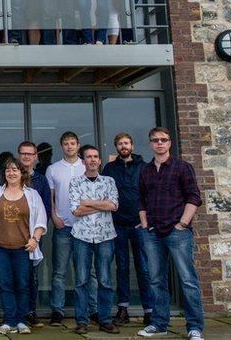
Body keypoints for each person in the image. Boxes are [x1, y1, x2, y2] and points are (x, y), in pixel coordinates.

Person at [137, 127, 204, 339]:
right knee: (156, 280)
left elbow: (194, 197)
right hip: (152, 232)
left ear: (169, 143)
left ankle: (194, 327)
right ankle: (159, 323)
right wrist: (145, 222)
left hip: (177, 232)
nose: (159, 143)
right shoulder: (146, 171)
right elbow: (141, 200)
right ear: (150, 144)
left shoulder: (182, 168)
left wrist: (182, 224)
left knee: (187, 280)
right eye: (155, 140)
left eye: (163, 140)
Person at [0, 157, 47, 336]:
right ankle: (9, 321)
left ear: (21, 173)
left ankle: (21, 321)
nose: (11, 173)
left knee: (23, 285)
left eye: (15, 170)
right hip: (0, 248)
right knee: (5, 284)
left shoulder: (32, 195)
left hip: (24, 248)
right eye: (8, 170)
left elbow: (41, 219)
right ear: (4, 174)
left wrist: (35, 239)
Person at [101, 133, 153, 326]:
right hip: (117, 224)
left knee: (143, 267)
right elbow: (104, 194)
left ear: (132, 145)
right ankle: (123, 309)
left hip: (139, 224)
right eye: (120, 143)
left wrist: (147, 219)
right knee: (121, 267)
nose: (123, 146)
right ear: (116, 146)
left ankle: (149, 310)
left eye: (126, 143)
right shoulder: (109, 168)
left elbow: (150, 193)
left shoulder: (144, 167)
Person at [46, 131, 96, 326]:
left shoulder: (86, 166)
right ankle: (57, 310)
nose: (69, 146)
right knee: (59, 271)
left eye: (73, 143)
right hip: (63, 226)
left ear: (77, 145)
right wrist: (53, 216)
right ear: (61, 146)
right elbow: (50, 196)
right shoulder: (53, 169)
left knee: (88, 271)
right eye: (66, 143)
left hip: (85, 227)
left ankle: (93, 309)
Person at [69, 145, 120, 335]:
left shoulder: (109, 181)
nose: (92, 159)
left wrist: (87, 202)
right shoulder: (75, 182)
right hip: (81, 236)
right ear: (83, 161)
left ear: (100, 161)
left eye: (95, 157)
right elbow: (75, 210)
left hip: (105, 236)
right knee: (81, 280)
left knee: (105, 280)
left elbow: (113, 205)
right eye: (88, 157)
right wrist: (102, 204)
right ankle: (81, 321)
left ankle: (105, 320)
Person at [16, 141, 52, 327]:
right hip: (13, 234)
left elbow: (46, 208)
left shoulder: (41, 180)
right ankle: (15, 312)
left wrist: (37, 235)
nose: (26, 157)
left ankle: (30, 311)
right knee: (16, 275)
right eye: (23, 153)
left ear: (35, 156)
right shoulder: (11, 177)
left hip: (33, 235)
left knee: (32, 275)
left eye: (30, 154)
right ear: (19, 155)